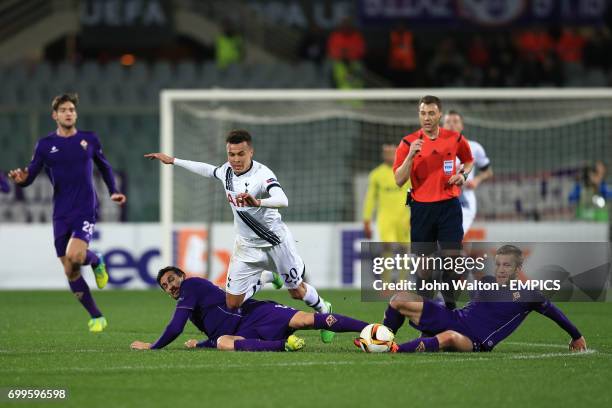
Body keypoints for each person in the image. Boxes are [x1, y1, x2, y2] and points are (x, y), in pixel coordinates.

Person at [145, 129, 335, 343]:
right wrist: (173, 161)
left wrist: (259, 202)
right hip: (246, 246)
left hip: (276, 244)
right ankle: (267, 277)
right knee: (232, 303)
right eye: (231, 154)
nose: (235, 159)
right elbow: (208, 170)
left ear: (250, 152)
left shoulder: (262, 175)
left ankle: (324, 309)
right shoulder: (226, 171)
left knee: (297, 293)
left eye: (240, 154)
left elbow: (283, 199)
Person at [8, 93, 126, 332]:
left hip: (85, 208)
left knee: (75, 256)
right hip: (60, 212)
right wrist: (21, 181)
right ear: (55, 115)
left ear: (76, 113)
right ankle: (96, 316)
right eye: (63, 110)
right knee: (69, 270)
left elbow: (104, 166)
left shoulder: (88, 139)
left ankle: (95, 259)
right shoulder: (44, 145)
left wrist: (113, 190)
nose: (68, 113)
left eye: (71, 109)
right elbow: (30, 176)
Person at [369, 245, 586, 353]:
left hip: (475, 341)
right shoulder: (488, 282)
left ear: (518, 268)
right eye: (499, 264)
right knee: (399, 299)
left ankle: (395, 350)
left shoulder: (529, 294)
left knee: (448, 337)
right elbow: (470, 295)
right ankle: (382, 338)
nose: (501, 269)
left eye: (507, 265)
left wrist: (576, 336)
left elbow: (554, 312)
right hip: (454, 318)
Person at [130, 266, 369, 351]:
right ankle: (285, 346)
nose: (170, 286)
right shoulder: (191, 306)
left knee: (305, 320)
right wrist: (200, 344)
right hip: (244, 331)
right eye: (165, 286)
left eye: (172, 279)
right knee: (223, 342)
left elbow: (175, 327)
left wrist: (153, 347)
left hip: (255, 313)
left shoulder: (191, 286)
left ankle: (369, 328)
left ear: (182, 276)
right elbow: (216, 333)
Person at [393, 95, 474, 309]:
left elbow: (468, 160)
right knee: (424, 267)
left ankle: (450, 310)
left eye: (431, 113)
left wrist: (463, 176)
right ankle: (427, 315)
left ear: (439, 115)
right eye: (422, 113)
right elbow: (399, 180)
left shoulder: (454, 138)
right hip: (421, 209)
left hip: (449, 207)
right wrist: (410, 156)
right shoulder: (408, 143)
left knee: (452, 260)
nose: (426, 117)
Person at [442, 110, 493, 235]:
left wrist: (477, 180)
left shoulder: (474, 147)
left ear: (462, 126)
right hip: (439, 202)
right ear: (442, 126)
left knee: (451, 239)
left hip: (463, 202)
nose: (452, 125)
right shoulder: (433, 149)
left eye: (455, 121)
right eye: (448, 122)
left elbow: (488, 172)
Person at [363, 144, 410, 243]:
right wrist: (367, 220)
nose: (389, 155)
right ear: (383, 155)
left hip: (404, 219)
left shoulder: (406, 171)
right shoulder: (376, 174)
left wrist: (416, 216)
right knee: (388, 251)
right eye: (386, 153)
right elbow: (370, 199)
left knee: (405, 252)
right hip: (385, 219)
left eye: (392, 152)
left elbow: (415, 195)